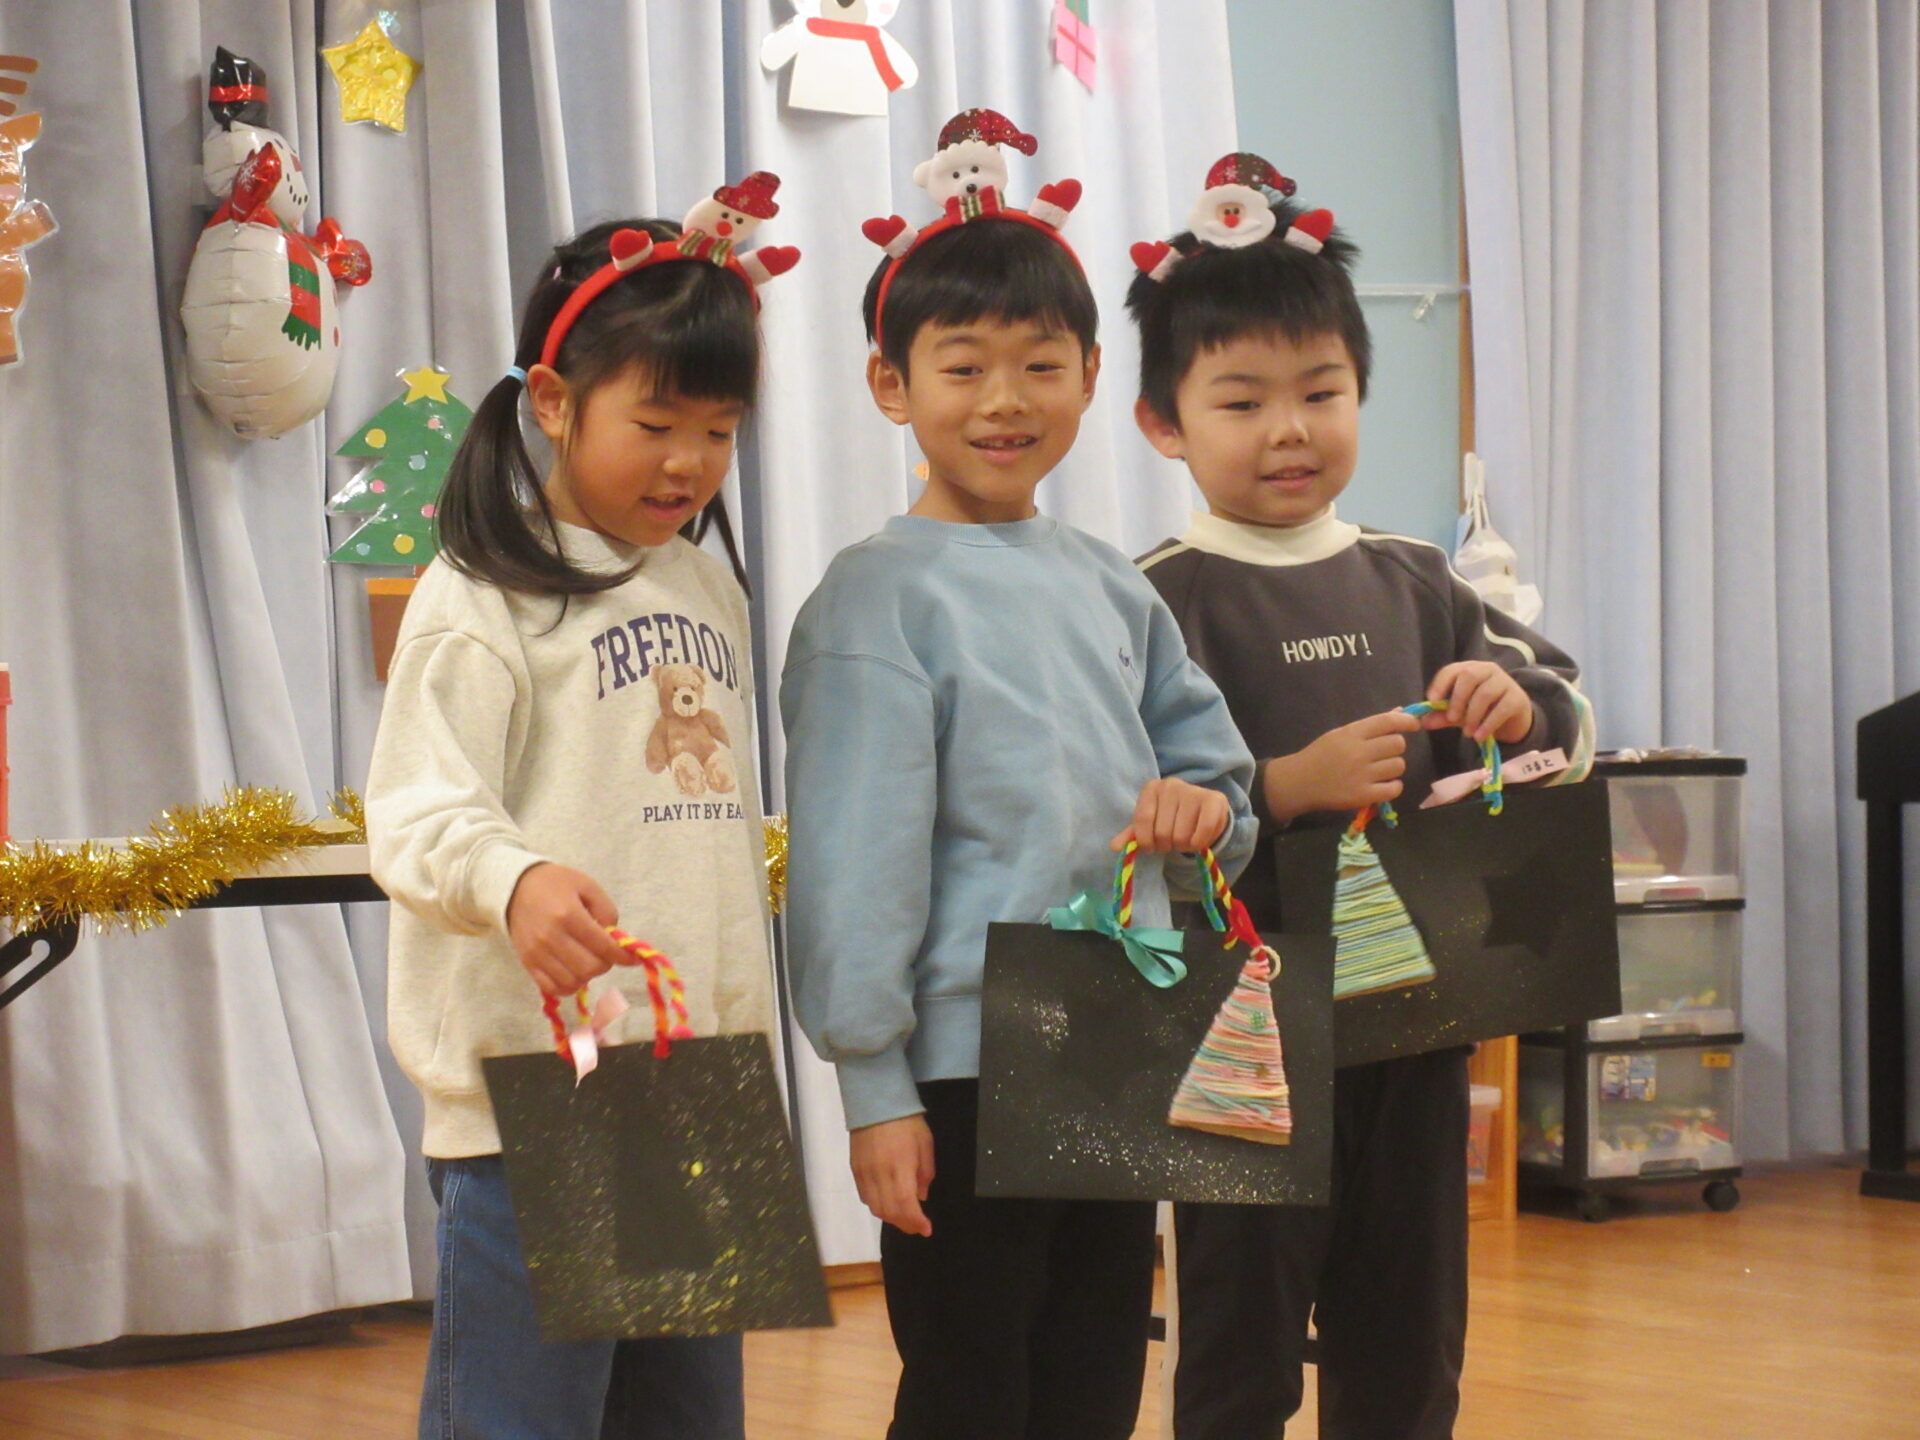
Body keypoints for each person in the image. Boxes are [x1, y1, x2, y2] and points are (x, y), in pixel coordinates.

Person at [781, 140, 1259, 1440]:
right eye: (964, 366)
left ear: (1093, 375)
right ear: (891, 384)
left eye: (1042, 365)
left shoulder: (1110, 581)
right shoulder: (875, 602)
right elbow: (851, 868)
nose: (1006, 400)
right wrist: (875, 1088)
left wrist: (1207, 815)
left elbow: (1215, 777)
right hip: (962, 1066)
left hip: (1114, 1027)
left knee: (1094, 1374)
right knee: (970, 1389)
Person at [1125, 155, 1596, 1440]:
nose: (1290, 428)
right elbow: (1117, 808)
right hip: (1234, 1023)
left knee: (1409, 1332)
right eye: (1242, 400)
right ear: (1164, 422)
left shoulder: (1415, 576)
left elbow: (1564, 712)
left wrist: (1517, 710)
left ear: (1360, 394)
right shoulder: (1151, 596)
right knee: (1240, 1340)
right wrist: (1282, 788)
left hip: (1416, 1010)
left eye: (1322, 392)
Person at [366, 212, 785, 1440]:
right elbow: (417, 804)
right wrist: (515, 878)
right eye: (655, 425)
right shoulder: (481, 589)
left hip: (700, 1087)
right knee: (522, 1423)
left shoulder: (706, 583)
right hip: (541, 1091)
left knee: (688, 1423)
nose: (689, 463)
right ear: (552, 401)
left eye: (719, 431)